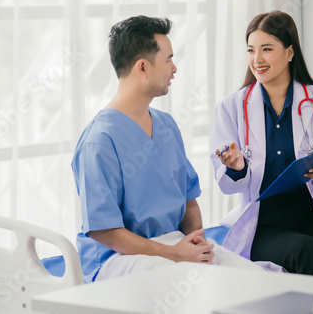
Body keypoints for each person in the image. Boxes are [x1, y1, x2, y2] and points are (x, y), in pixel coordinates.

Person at [71, 15, 264, 283]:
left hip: (172, 244)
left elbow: (188, 200)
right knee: (199, 284)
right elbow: (105, 231)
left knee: (253, 279)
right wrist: (173, 254)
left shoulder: (165, 126)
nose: (174, 68)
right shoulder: (99, 141)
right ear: (142, 68)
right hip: (117, 257)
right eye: (168, 59)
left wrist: (196, 242)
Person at [211, 10, 313, 281]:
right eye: (251, 50)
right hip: (264, 224)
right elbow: (226, 182)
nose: (256, 59)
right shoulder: (231, 108)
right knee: (307, 251)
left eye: (267, 49)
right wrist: (237, 168)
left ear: (289, 52)